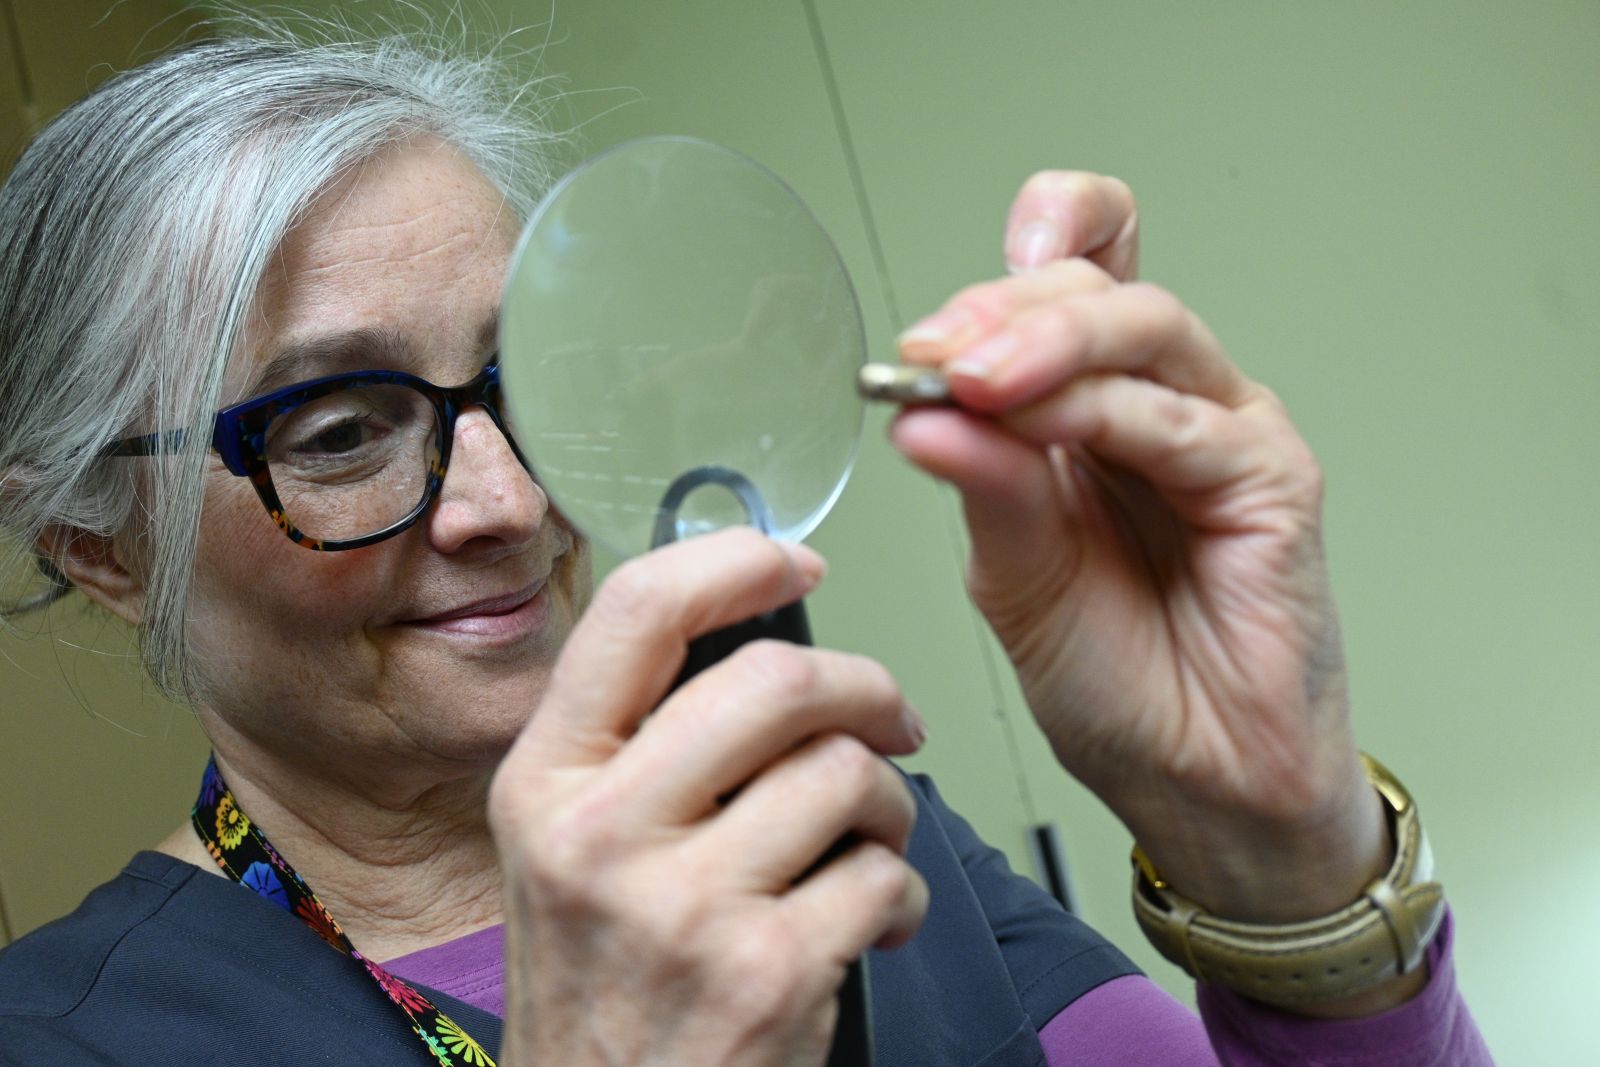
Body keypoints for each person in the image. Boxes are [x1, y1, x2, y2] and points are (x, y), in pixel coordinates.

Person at [0, 19, 1493, 1067]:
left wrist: (1281, 858)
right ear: (100, 542)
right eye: (338, 431)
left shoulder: (836, 838)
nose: (512, 503)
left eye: (537, 374)